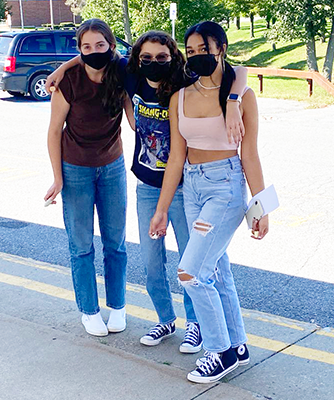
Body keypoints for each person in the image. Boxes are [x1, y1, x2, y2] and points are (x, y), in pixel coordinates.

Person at [46, 29, 250, 353]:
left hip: (185, 187)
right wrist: (61, 69)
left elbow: (239, 72)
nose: (154, 63)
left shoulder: (184, 82)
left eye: (162, 57)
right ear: (138, 60)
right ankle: (165, 319)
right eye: (147, 58)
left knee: (190, 262)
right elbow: (98, 53)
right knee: (152, 263)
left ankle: (195, 325)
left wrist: (236, 100)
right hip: (147, 187)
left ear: (173, 58)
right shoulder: (132, 78)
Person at [148, 21, 269, 384]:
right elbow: (174, 157)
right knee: (215, 269)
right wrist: (161, 208)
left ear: (222, 48)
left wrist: (261, 208)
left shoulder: (241, 96)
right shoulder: (180, 96)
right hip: (192, 187)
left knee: (190, 272)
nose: (199, 55)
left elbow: (250, 153)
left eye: (206, 48)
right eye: (194, 50)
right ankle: (237, 342)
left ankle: (219, 351)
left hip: (226, 187)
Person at [44, 19, 131, 337]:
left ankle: (118, 306)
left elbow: (134, 119)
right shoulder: (70, 81)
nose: (93, 52)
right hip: (76, 168)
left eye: (100, 45)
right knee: (81, 246)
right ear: (79, 51)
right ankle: (89, 311)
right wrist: (58, 177)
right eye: (86, 47)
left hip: (113, 166)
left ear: (111, 46)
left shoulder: (121, 72)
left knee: (116, 243)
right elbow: (54, 132)